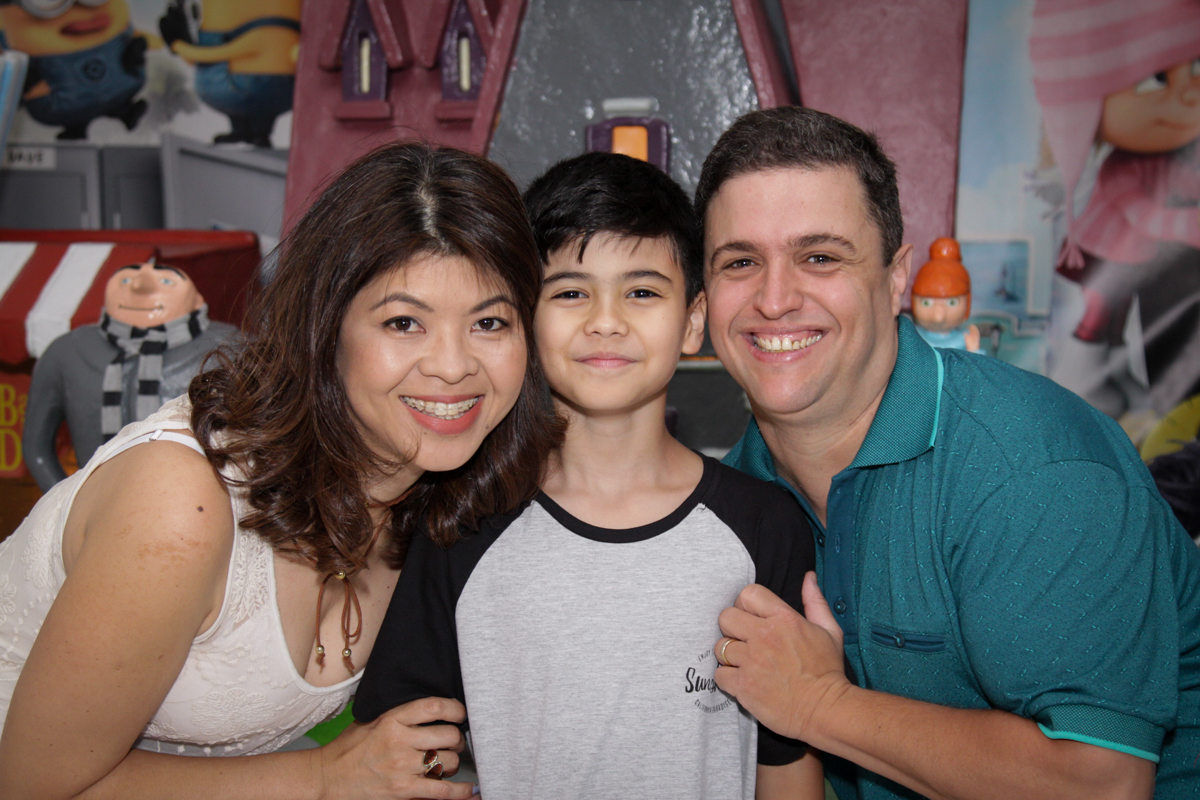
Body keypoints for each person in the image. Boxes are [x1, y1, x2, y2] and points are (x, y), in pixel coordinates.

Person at [0, 140, 560, 800]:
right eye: (404, 321)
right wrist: (324, 777)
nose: (452, 364)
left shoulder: (436, 489)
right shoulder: (182, 504)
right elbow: (32, 784)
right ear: (326, 329)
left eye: (489, 322)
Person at [695, 106, 1200, 800]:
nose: (775, 299)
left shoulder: (1033, 471)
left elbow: (1100, 785)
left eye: (820, 257)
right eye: (742, 261)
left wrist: (816, 704)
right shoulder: (730, 494)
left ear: (897, 278)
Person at [354, 151, 822, 799]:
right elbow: (402, 751)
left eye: (642, 291)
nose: (606, 320)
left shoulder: (764, 525)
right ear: (525, 316)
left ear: (692, 322)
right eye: (571, 292)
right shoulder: (463, 524)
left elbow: (785, 754)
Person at [24, 260, 238, 491]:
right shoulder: (66, 352)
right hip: (99, 503)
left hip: (202, 503)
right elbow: (36, 447)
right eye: (125, 280)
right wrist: (65, 503)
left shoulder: (234, 348)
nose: (140, 288)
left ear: (197, 299)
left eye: (166, 281)